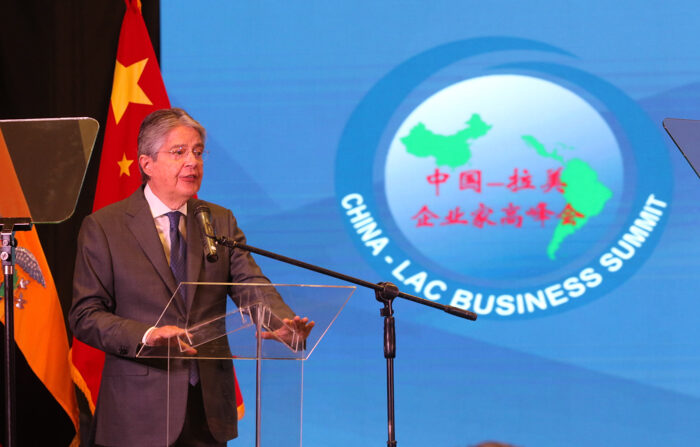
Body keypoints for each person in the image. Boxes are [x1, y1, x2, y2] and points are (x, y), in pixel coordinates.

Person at [69, 108, 313, 446]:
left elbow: (249, 284)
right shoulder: (105, 228)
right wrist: (149, 335)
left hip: (207, 409)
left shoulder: (218, 221)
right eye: (179, 152)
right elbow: (85, 315)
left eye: (198, 152)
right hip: (137, 411)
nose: (193, 162)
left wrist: (280, 321)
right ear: (146, 164)